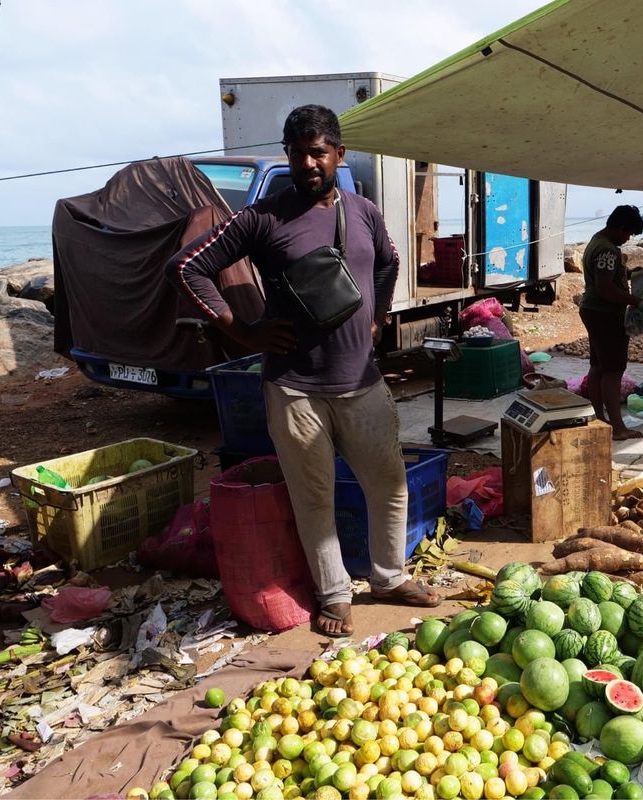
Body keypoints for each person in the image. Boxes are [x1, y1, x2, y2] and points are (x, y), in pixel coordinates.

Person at [168, 104, 440, 636]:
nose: (308, 163)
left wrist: (379, 316)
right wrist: (243, 331)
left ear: (339, 153)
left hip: (362, 383)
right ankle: (334, 595)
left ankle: (389, 577)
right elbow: (187, 266)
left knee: (389, 486)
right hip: (295, 389)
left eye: (318, 152)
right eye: (297, 154)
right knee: (314, 498)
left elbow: (388, 262)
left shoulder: (364, 212)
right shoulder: (261, 218)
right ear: (287, 156)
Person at [579, 205, 643, 440]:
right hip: (604, 313)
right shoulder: (607, 250)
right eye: (628, 233)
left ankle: (599, 419)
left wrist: (627, 274)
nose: (628, 239)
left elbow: (605, 276)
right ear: (620, 227)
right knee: (613, 370)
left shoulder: (597, 240)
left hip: (593, 310)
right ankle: (618, 428)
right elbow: (604, 287)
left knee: (598, 366)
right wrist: (636, 301)